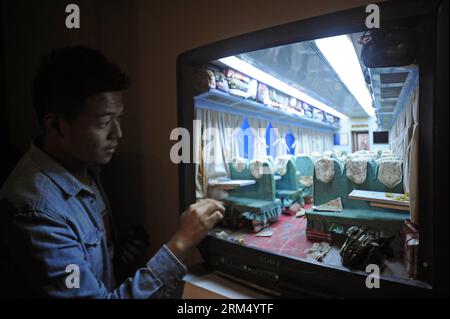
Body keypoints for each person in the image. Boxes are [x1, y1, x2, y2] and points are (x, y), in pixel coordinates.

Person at [0, 46, 225, 298]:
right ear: (56, 126)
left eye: (119, 119)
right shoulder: (36, 210)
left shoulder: (83, 166)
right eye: (104, 123)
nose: (118, 134)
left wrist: (116, 254)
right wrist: (181, 242)